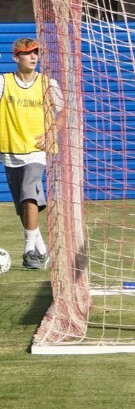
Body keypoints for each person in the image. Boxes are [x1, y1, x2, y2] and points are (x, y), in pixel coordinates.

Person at [0, 38, 56, 269]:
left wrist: (52, 132)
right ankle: (42, 252)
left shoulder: (48, 84)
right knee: (23, 206)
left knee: (28, 193)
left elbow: (64, 112)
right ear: (16, 57)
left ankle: (28, 252)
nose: (33, 57)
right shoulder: (4, 82)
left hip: (37, 151)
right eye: (27, 53)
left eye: (36, 53)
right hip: (11, 151)